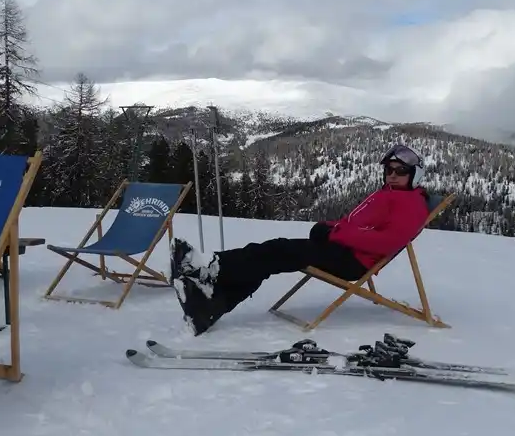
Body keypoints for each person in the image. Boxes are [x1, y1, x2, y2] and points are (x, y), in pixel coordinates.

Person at [169, 143, 432, 335]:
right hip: (342, 248)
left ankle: (213, 268)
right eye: (389, 170)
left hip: (354, 260)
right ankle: (212, 306)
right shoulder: (389, 193)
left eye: (400, 171)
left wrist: (336, 233)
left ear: (414, 175)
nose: (393, 175)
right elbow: (356, 224)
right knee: (273, 256)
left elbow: (386, 242)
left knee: (278, 249)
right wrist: (329, 227)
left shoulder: (412, 204)